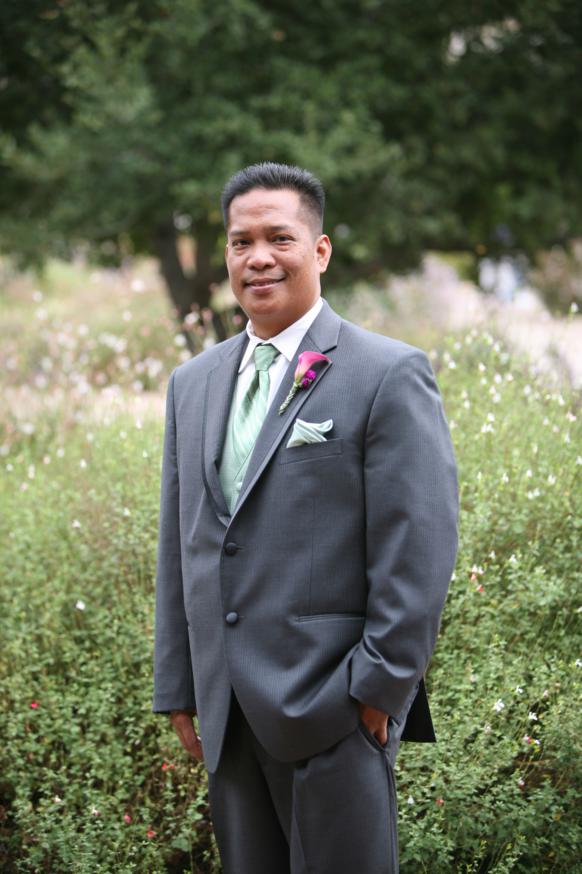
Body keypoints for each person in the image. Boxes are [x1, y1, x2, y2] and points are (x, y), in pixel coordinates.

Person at [153, 162, 458, 874]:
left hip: (334, 711)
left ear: (319, 251)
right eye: (241, 242)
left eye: (279, 238)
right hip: (228, 715)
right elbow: (182, 543)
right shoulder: (192, 384)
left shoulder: (386, 373)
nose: (258, 257)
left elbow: (418, 544)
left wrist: (379, 692)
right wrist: (180, 686)